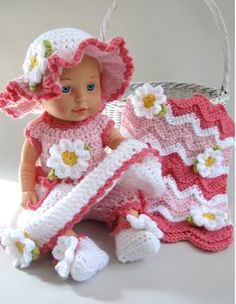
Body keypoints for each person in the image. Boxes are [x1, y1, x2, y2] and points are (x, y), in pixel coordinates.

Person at [0, 28, 164, 282]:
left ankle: (129, 228)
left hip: (99, 188)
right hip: (60, 193)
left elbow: (118, 141)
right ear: (42, 95)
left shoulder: (100, 123)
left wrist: (128, 150)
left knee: (125, 197)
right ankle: (75, 249)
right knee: (46, 218)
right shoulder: (39, 130)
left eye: (90, 86)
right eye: (66, 90)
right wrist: (27, 189)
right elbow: (27, 163)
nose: (81, 98)